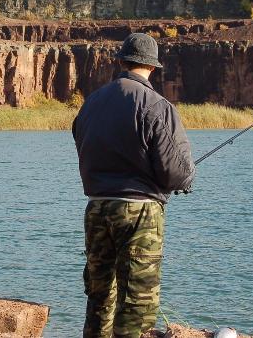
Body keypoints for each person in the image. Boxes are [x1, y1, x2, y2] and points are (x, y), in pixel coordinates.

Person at [72, 32, 196, 338]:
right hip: (140, 214)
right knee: (137, 302)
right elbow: (177, 172)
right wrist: (185, 180)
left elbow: (82, 144)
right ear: (152, 67)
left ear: (122, 62)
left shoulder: (91, 104)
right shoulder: (157, 106)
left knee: (99, 295)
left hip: (97, 208)